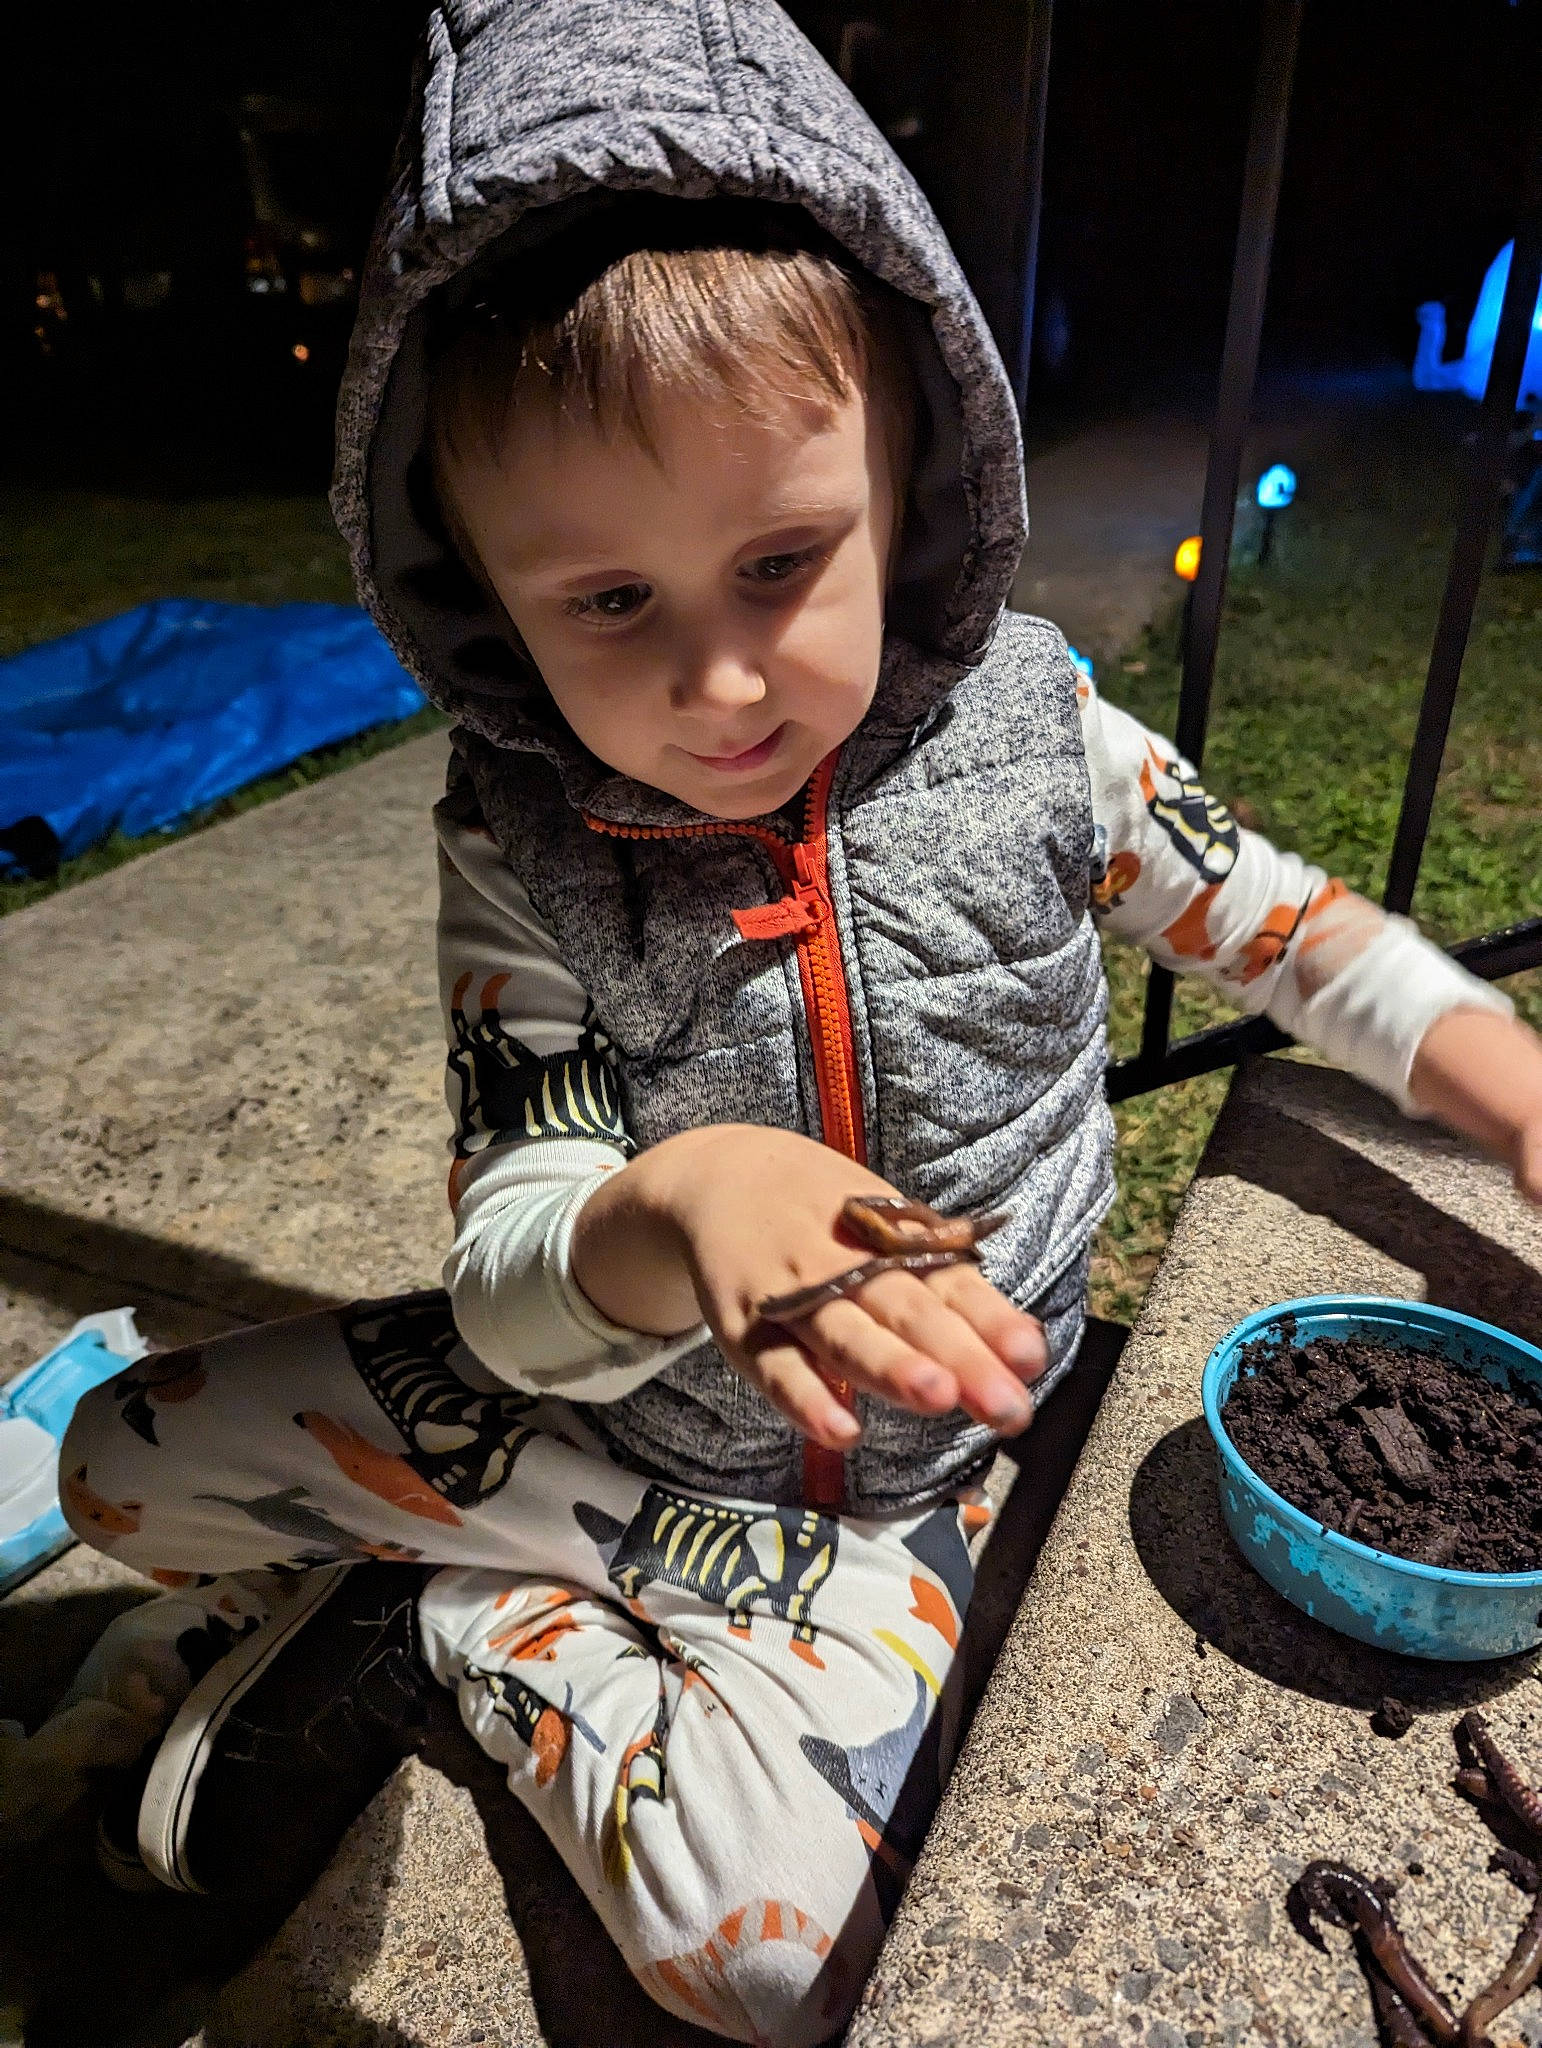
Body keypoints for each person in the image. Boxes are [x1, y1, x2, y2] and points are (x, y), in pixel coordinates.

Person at [18, 3, 1542, 2042]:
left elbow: (1287, 927)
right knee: (116, 1466)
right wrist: (678, 1208)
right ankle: (445, 1525)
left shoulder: (1037, 739)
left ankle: (481, 1624)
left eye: (778, 561)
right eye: (610, 604)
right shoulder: (523, 845)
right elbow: (512, 1261)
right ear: (476, 588)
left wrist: (1496, 1071)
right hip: (597, 1401)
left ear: (903, 469)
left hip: (880, 1488)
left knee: (766, 1966)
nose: (723, 683)